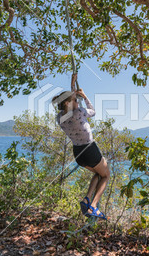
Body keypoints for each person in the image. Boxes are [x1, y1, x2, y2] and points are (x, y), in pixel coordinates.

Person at [52, 88, 110, 220]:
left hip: (78, 153)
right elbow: (93, 112)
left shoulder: (59, 117)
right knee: (106, 175)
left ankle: (86, 199)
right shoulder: (79, 112)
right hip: (90, 149)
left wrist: (73, 88)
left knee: (98, 174)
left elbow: (68, 110)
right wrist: (84, 96)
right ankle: (93, 206)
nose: (77, 102)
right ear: (67, 103)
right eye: (75, 100)